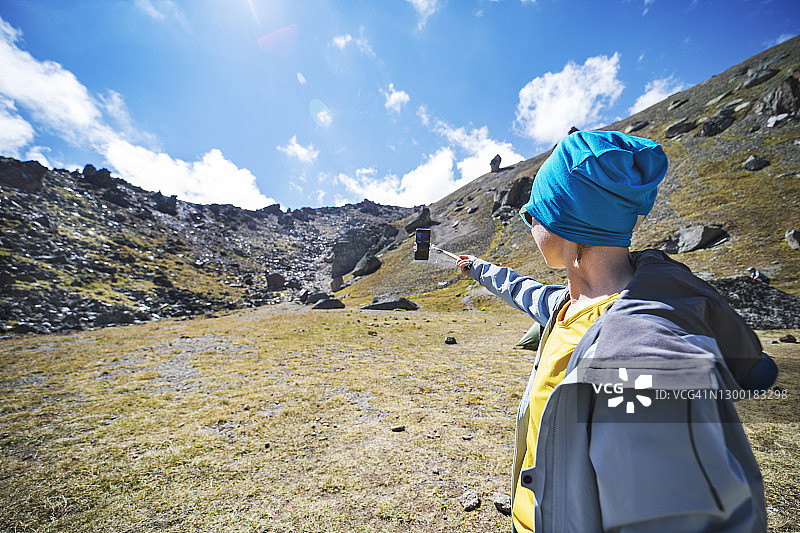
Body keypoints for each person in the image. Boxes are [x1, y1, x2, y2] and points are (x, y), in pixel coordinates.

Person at [456, 130, 777, 532]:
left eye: (535, 211)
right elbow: (526, 292)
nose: (528, 218)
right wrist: (480, 270)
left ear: (570, 228)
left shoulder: (638, 354)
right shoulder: (569, 306)